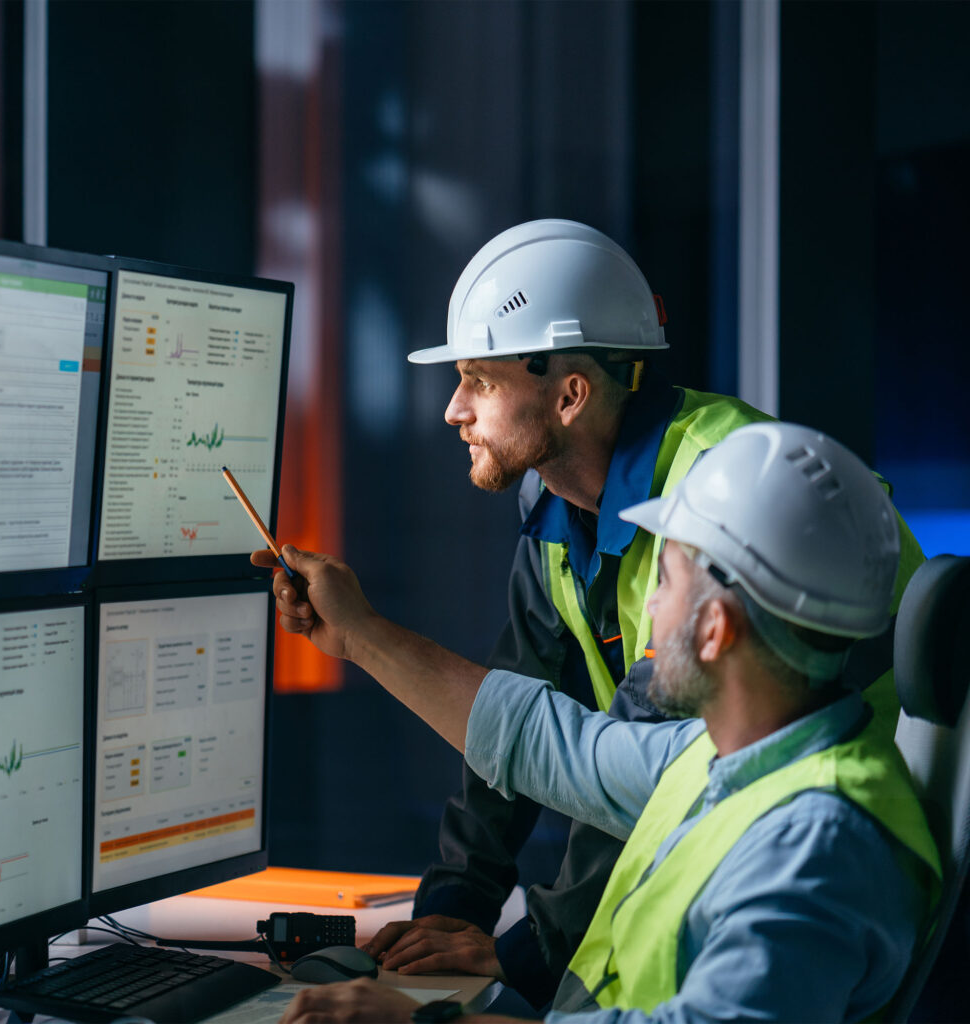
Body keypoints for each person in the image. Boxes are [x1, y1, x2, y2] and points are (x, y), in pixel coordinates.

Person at [346, 220, 924, 1008]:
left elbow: (607, 760)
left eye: (479, 381)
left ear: (571, 393)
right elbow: (535, 738)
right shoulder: (559, 508)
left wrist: (522, 955)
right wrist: (452, 916)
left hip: (794, 813)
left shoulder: (727, 500)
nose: (454, 409)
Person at [257, 422, 940, 1024]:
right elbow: (552, 746)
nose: (648, 609)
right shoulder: (733, 758)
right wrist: (359, 635)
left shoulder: (817, 849)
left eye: (664, 581)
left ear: (713, 630)